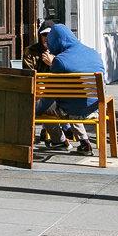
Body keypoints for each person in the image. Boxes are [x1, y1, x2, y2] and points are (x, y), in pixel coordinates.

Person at [35, 24, 105, 155]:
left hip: (73, 110)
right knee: (73, 100)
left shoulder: (60, 61)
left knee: (46, 108)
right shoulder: (94, 53)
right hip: (96, 107)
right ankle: (84, 142)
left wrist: (34, 111)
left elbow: (49, 95)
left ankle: (59, 141)